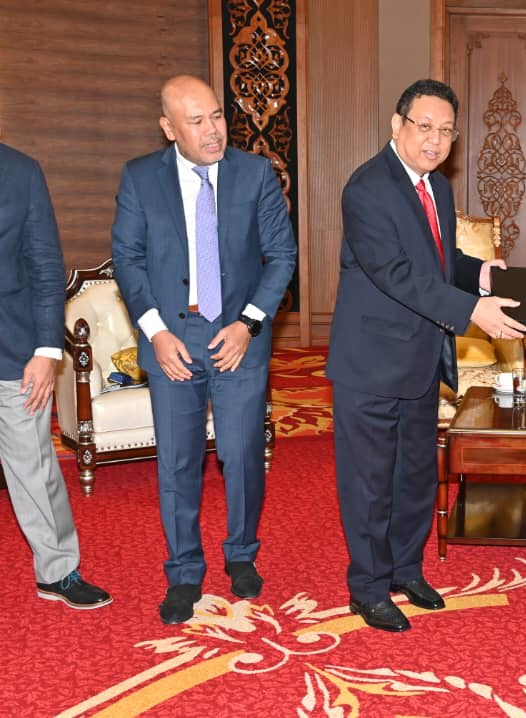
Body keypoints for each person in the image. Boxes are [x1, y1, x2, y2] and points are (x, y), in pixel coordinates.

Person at [327, 79, 525, 633]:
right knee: (370, 483)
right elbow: (395, 273)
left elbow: (438, 259)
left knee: (413, 476)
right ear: (398, 125)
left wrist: (482, 273)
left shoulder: (435, 186)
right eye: (424, 127)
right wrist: (473, 310)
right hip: (370, 364)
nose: (435, 140)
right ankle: (368, 588)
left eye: (446, 131)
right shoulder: (366, 188)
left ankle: (406, 570)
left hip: (418, 359)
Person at [111, 75, 297, 624]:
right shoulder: (140, 178)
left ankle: (241, 554)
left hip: (238, 335)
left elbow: (282, 255)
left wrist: (249, 324)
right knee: (178, 461)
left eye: (217, 115)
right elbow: (128, 260)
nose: (214, 130)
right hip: (174, 336)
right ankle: (184, 572)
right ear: (169, 128)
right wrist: (156, 331)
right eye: (196, 121)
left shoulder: (255, 173)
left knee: (242, 454)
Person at [0, 142, 112, 611]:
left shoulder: (20, 172)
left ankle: (58, 570)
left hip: (12, 352)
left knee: (34, 466)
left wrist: (47, 351)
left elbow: (46, 268)